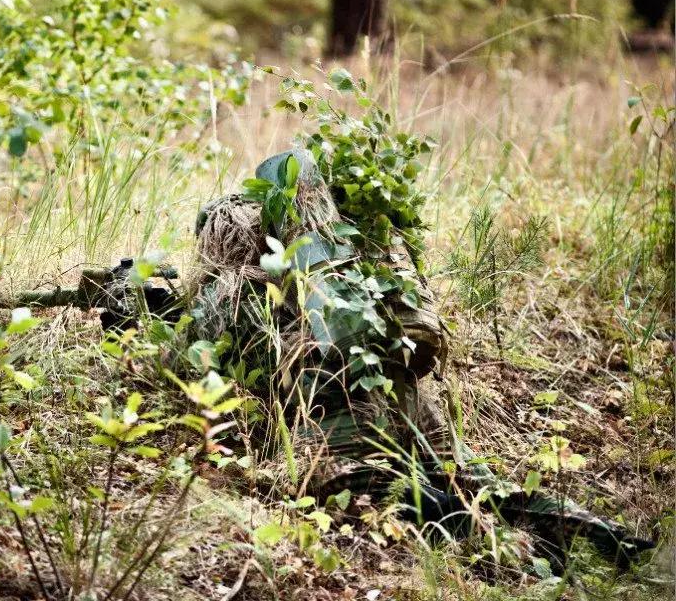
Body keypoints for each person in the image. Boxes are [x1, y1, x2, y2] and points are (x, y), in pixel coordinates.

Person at [191, 148, 653, 567]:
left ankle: (484, 534)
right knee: (475, 479)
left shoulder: (229, 290)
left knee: (369, 490)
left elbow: (196, 367)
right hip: (403, 382)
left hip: (335, 405)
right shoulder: (338, 265)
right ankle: (595, 530)